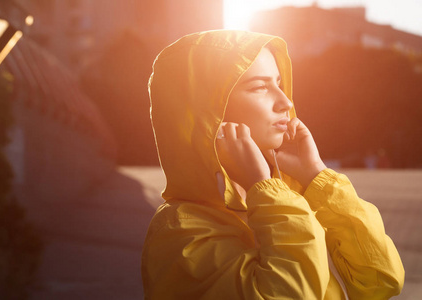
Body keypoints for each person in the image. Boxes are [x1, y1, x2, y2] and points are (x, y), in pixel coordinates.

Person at [142, 30, 404, 299]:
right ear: (208, 112)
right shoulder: (180, 230)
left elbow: (381, 281)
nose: (286, 102)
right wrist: (263, 186)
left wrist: (316, 175)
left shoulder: (285, 198)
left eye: (279, 83)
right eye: (259, 87)